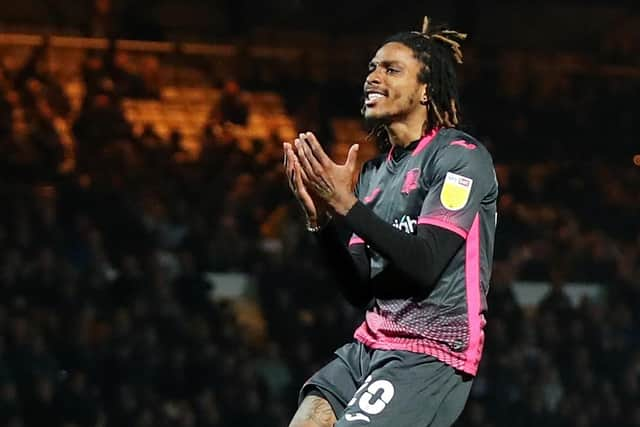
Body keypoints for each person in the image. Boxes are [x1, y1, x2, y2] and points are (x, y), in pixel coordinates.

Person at [283, 16, 498, 427]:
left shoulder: (460, 157)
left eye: (390, 69)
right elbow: (359, 288)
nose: (373, 77)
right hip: (371, 343)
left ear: (425, 89)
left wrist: (348, 207)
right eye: (371, 68)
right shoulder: (374, 174)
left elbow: (424, 263)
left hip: (430, 350)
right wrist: (323, 222)